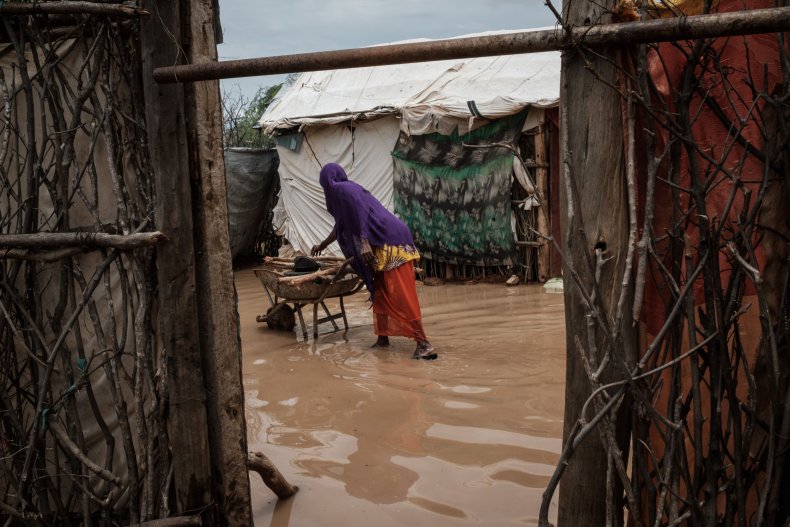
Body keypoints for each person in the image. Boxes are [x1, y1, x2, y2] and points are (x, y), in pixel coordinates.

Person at [311, 163, 437, 360]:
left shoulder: (345, 188)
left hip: (390, 239)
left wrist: (363, 240)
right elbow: (340, 226)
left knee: (401, 294)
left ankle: (424, 343)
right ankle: (383, 338)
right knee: (380, 291)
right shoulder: (342, 197)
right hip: (379, 241)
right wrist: (322, 245)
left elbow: (362, 210)